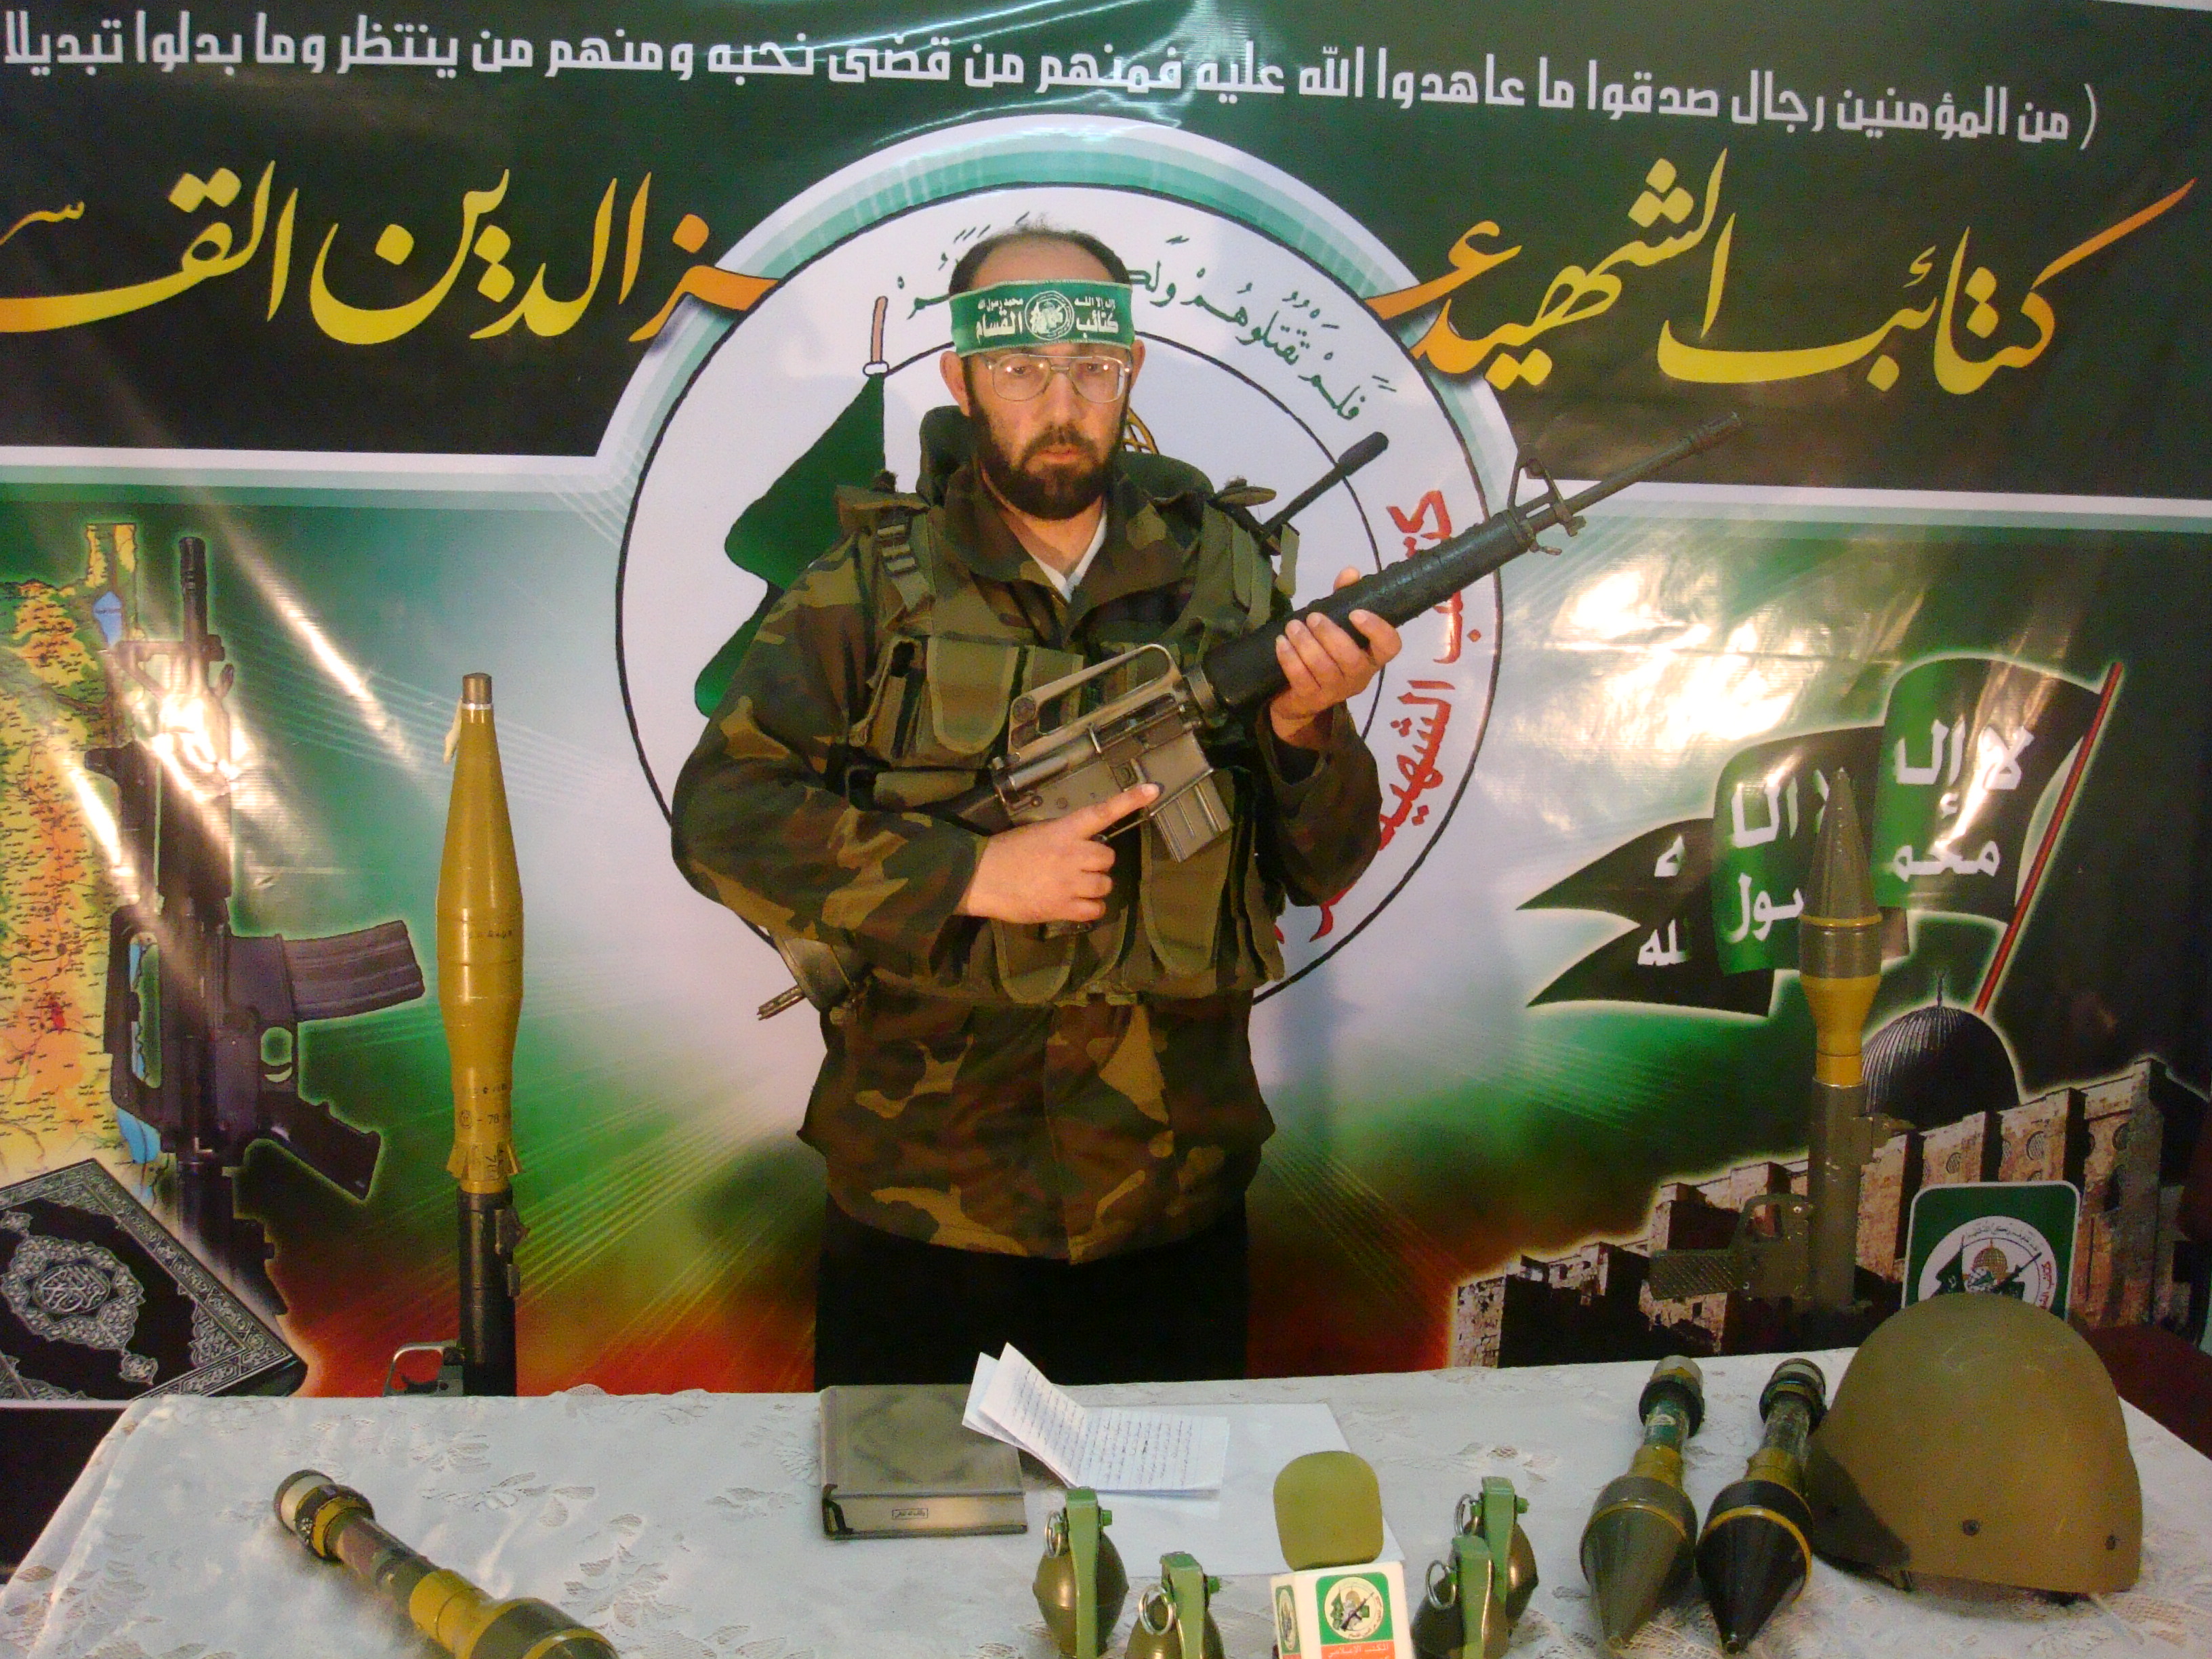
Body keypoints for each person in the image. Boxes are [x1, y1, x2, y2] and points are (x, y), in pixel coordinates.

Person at [670, 225, 1400, 1387]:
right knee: (906, 1509)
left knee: (1168, 1510)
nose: (1061, 405)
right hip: (925, 1208)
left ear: (1130, 372)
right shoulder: (864, 588)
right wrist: (970, 876)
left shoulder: (1229, 579)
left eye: (1091, 367)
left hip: (1172, 1208)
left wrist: (1309, 731)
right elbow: (721, 816)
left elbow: (1323, 864)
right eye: (1020, 368)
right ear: (961, 380)